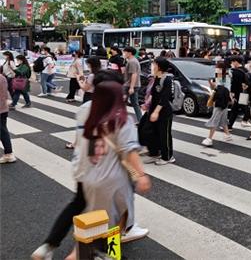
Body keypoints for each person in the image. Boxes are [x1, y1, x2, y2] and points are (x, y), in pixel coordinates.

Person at [31, 71, 149, 260]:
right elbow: (129, 151)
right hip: (111, 180)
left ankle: (60, 248)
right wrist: (141, 175)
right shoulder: (121, 119)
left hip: (86, 171)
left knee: (90, 216)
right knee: (113, 222)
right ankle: (102, 254)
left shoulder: (87, 110)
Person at [146, 57, 175, 165]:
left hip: (164, 111)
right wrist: (147, 105)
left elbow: (164, 98)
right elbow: (154, 94)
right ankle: (156, 153)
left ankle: (168, 157)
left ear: (159, 66)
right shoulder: (156, 77)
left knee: (165, 134)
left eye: (154, 64)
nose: (152, 65)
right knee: (155, 133)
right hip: (154, 109)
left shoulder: (167, 79)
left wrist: (156, 112)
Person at [202, 78, 232, 146]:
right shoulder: (226, 77)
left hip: (219, 103)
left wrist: (211, 84)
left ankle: (209, 139)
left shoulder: (219, 79)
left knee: (214, 120)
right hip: (225, 102)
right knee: (223, 120)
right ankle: (227, 135)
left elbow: (215, 88)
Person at [227, 56, 251, 130]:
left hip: (238, 93)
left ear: (236, 62)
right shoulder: (246, 70)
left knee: (244, 109)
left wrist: (232, 93)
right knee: (235, 109)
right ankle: (229, 126)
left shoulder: (236, 71)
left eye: (232, 62)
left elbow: (234, 84)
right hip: (245, 93)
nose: (231, 63)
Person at [123, 46, 143, 123]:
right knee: (134, 103)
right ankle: (140, 121)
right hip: (132, 85)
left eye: (125, 52)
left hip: (130, 85)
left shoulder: (132, 62)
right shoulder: (132, 60)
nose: (124, 53)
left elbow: (134, 74)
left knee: (123, 102)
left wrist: (131, 87)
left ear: (129, 53)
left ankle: (122, 120)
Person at [0, 73, 16, 163]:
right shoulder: (2, 77)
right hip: (3, 108)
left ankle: (9, 154)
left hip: (1, 109)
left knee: (2, 131)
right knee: (2, 130)